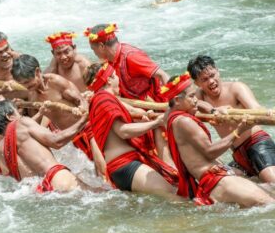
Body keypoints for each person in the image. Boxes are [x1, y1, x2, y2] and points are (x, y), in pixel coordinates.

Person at [164, 72, 275, 207]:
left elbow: (190, 105)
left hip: (215, 177)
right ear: (177, 100)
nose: (195, 100)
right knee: (269, 203)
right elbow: (210, 152)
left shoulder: (171, 117)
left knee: (270, 189)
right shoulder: (184, 121)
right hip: (217, 179)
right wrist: (239, 130)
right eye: (192, 96)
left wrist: (212, 110)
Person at [0, 89, 90, 192]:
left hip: (30, 183)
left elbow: (19, 134)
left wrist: (40, 113)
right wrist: (85, 118)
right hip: (54, 176)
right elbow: (22, 129)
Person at [87, 62, 178, 195]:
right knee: (171, 193)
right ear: (109, 79)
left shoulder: (104, 99)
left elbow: (130, 113)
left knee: (172, 191)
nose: (118, 79)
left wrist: (143, 117)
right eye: (116, 75)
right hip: (125, 164)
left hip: (123, 166)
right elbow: (122, 131)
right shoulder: (103, 99)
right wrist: (155, 123)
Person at [11, 54, 105, 174]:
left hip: (87, 128)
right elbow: (38, 115)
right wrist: (23, 105)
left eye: (28, 81)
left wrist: (82, 110)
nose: (27, 86)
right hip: (69, 136)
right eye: (23, 84)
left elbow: (80, 100)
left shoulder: (55, 82)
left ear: (38, 71)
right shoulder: (32, 94)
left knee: (101, 168)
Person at [187, 55, 275, 183]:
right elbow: (189, 103)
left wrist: (266, 113)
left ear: (218, 71)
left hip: (258, 145)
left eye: (212, 75)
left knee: (273, 184)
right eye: (205, 79)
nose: (211, 81)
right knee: (216, 181)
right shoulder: (199, 96)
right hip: (237, 155)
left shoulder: (236, 88)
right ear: (197, 83)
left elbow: (257, 109)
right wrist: (213, 110)